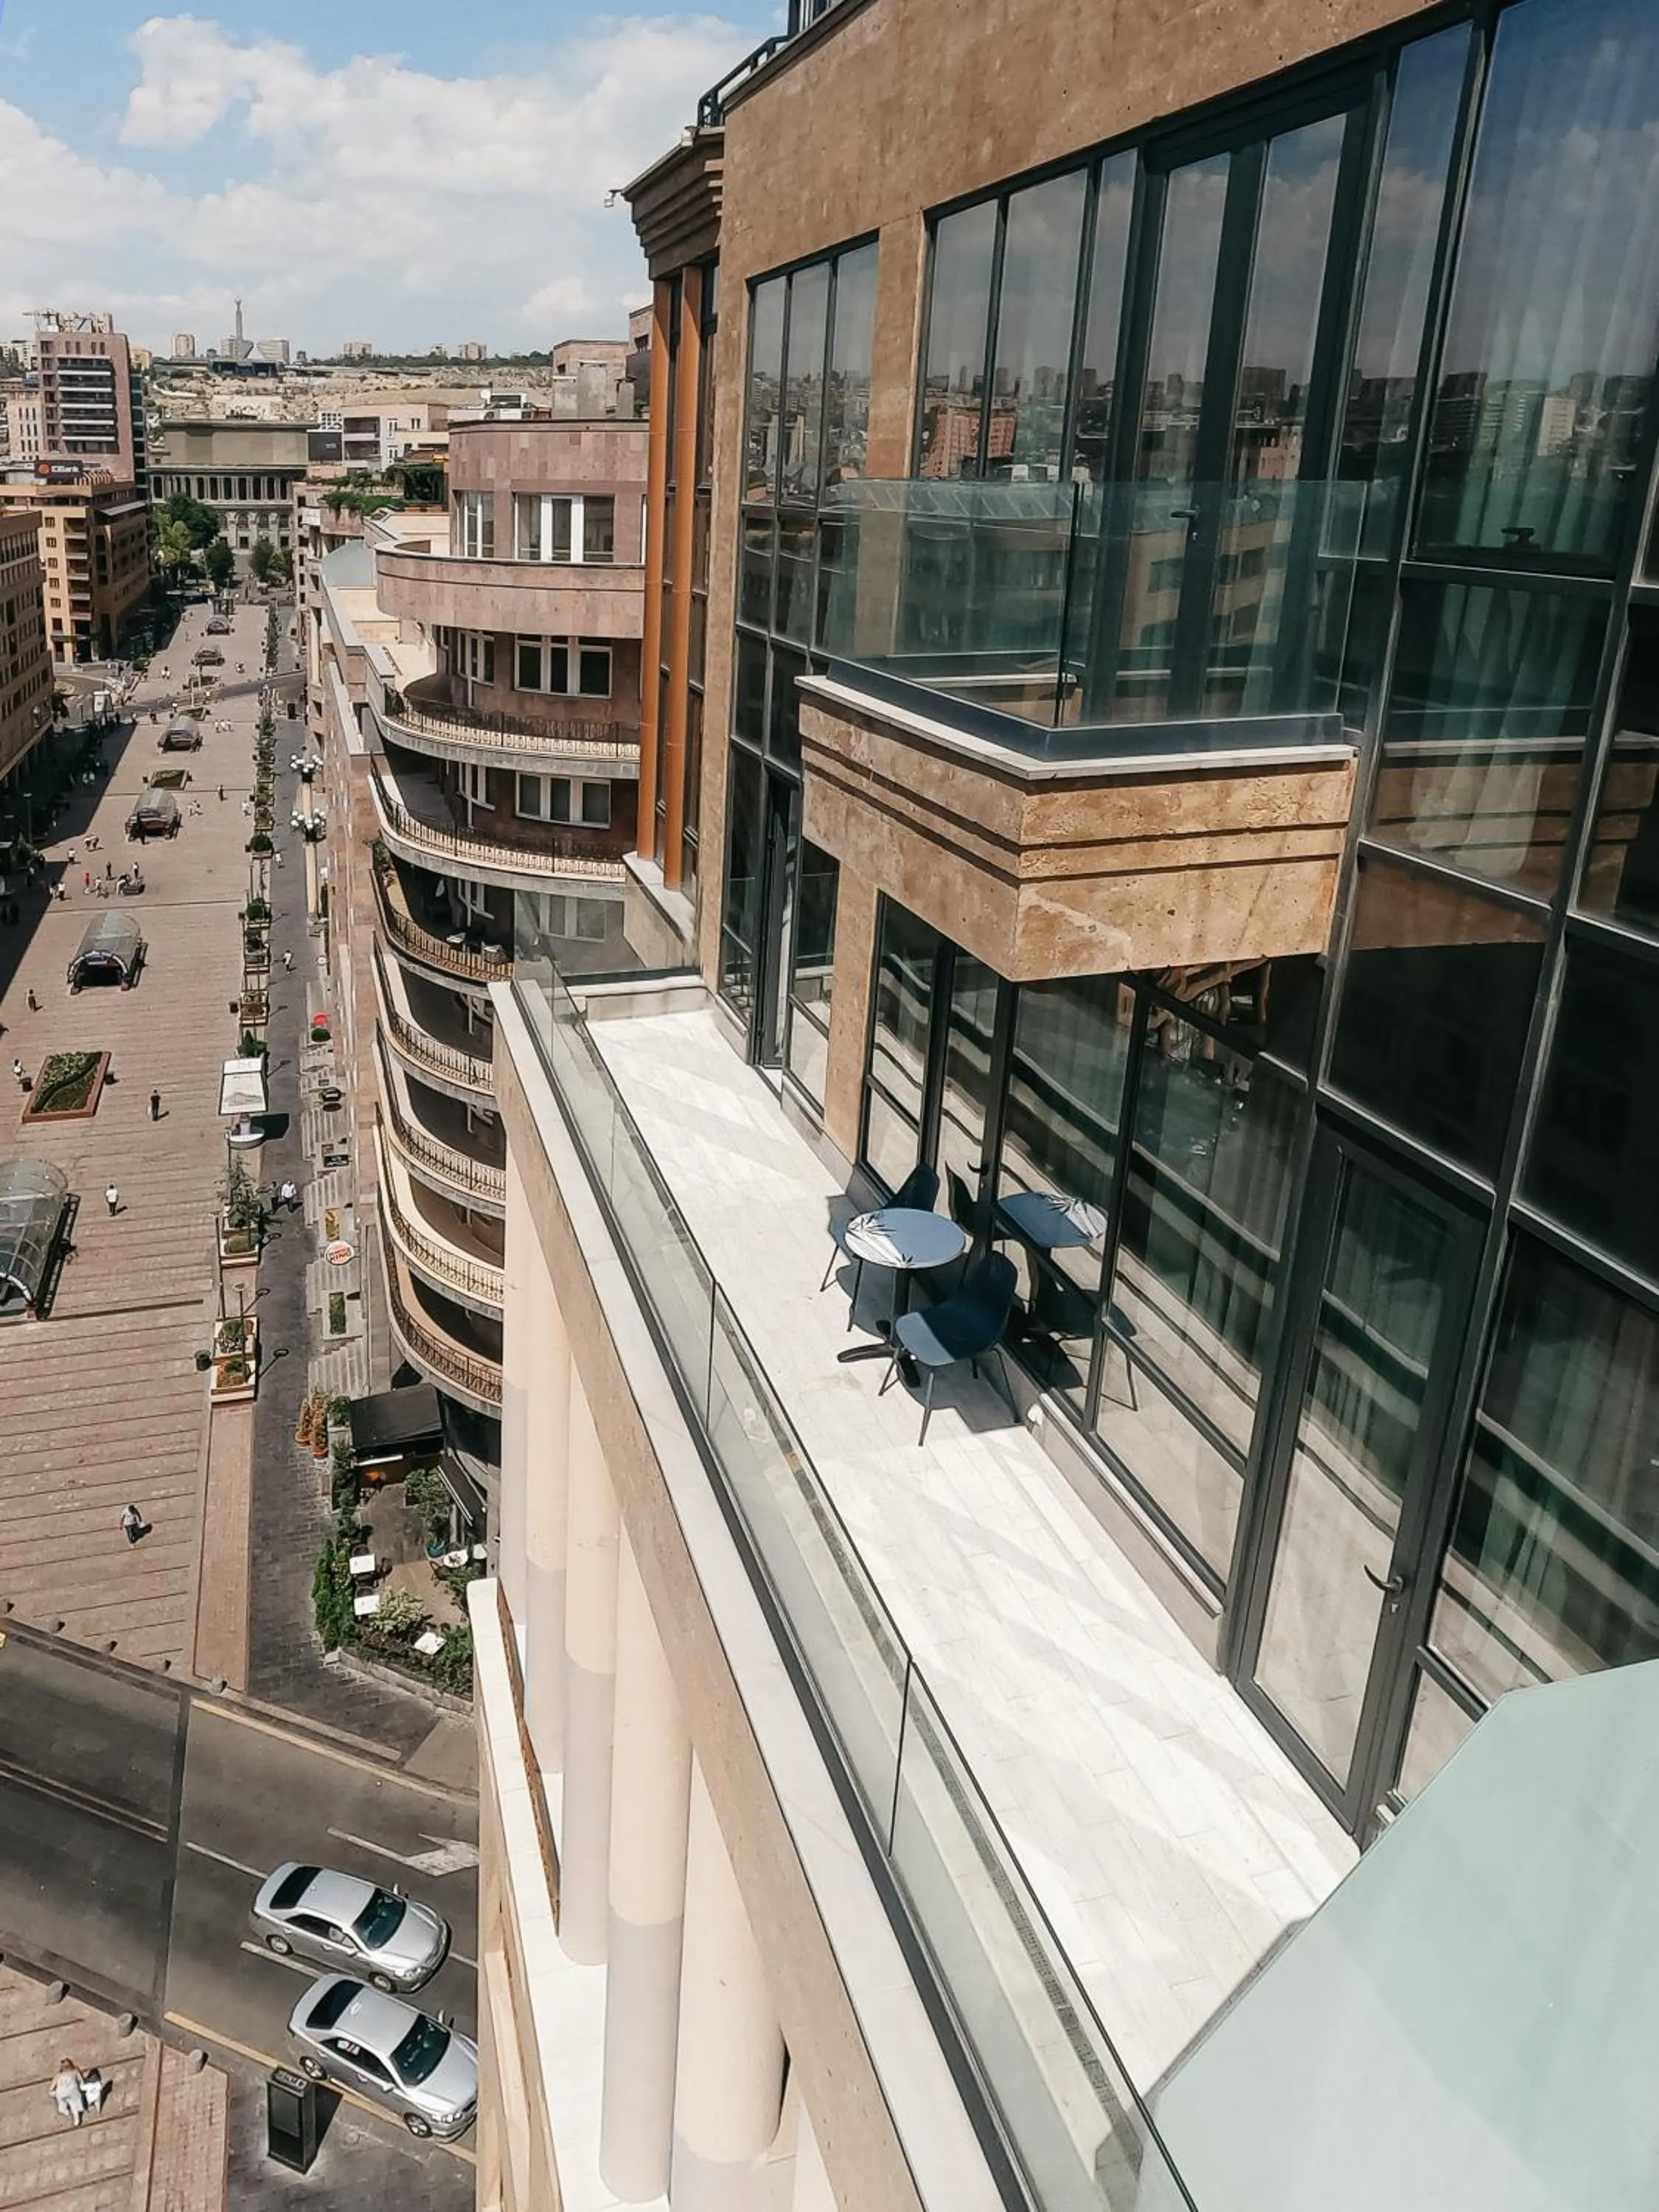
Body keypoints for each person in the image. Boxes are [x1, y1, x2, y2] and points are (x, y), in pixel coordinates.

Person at [50, 2059, 87, 2128]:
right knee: (74, 2105)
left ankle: (65, 2111)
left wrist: (53, 2092)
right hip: (71, 2092)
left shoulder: (59, 2075)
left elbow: (52, 2087)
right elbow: (82, 2082)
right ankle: (75, 2119)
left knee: (64, 2102)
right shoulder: (75, 2072)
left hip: (63, 2093)